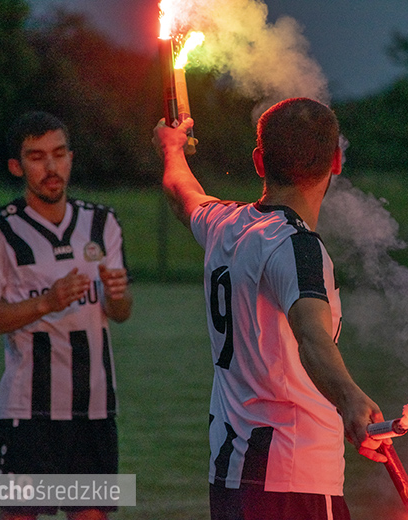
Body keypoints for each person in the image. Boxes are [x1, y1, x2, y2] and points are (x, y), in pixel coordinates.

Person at [152, 98, 388, 520]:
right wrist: (350, 397)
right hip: (293, 476)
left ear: (260, 161)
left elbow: (179, 192)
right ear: (336, 161)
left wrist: (171, 149)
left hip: (230, 472)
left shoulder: (226, 224)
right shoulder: (298, 247)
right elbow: (311, 336)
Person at [0, 111, 133, 520]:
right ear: (16, 167)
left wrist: (117, 296)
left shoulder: (102, 222)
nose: (51, 167)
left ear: (71, 158)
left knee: (91, 514)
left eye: (59, 154)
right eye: (37, 157)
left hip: (93, 410)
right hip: (27, 413)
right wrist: (46, 302)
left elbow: (120, 312)